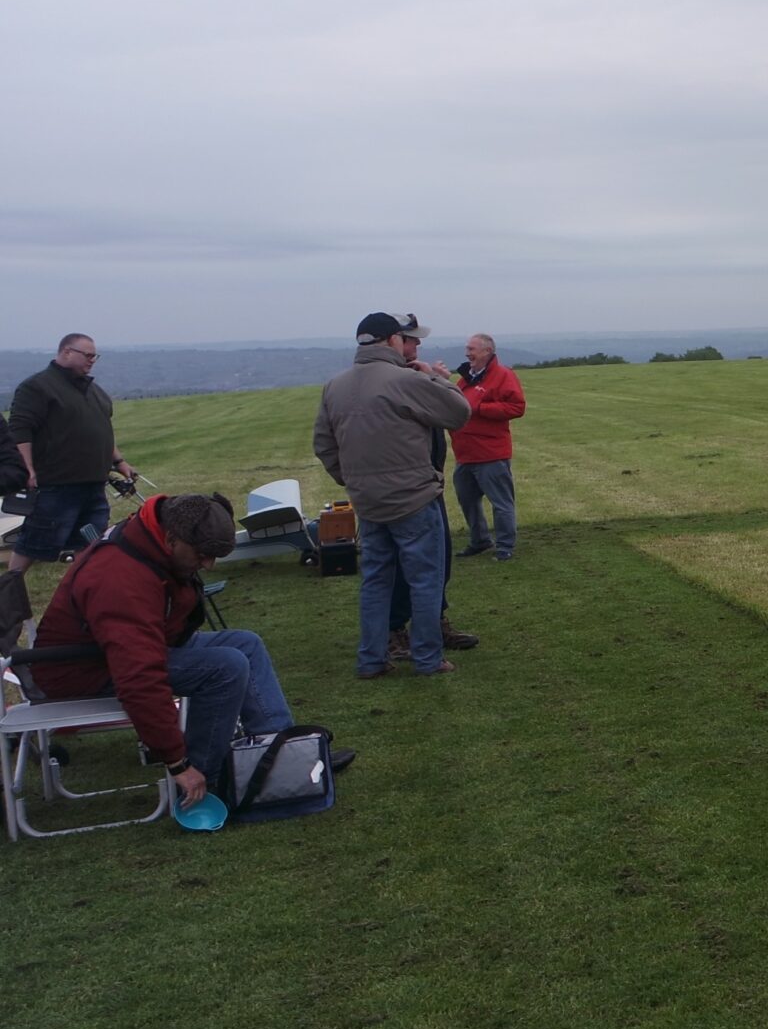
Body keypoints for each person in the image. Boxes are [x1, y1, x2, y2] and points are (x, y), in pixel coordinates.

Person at [26, 493, 349, 812]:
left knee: (245, 644)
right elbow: (138, 677)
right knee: (226, 667)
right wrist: (177, 762)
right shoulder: (120, 579)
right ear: (171, 539)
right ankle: (207, 782)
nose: (208, 565)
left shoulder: (154, 535)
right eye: (203, 555)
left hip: (123, 648)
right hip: (81, 670)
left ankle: (281, 759)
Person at [313, 313, 470, 678]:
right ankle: (428, 658)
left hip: (367, 502)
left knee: (375, 581)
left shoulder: (334, 386)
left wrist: (352, 480)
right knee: (425, 581)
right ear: (393, 340)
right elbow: (459, 412)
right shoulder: (406, 380)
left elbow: (324, 444)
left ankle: (372, 659)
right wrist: (433, 377)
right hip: (414, 498)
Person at [8, 334, 137, 575]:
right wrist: (27, 469)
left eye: (95, 356)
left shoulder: (94, 391)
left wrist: (120, 462)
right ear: (67, 352)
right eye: (87, 355)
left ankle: (82, 591)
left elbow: (102, 430)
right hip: (56, 485)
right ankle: (8, 592)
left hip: (94, 486)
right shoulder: (37, 387)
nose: (92, 361)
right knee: (32, 544)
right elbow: (20, 430)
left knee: (90, 545)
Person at [451, 333, 526, 560]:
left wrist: (480, 408)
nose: (467, 353)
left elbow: (517, 407)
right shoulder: (466, 379)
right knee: (467, 500)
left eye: (472, 349)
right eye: (467, 349)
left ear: (487, 351)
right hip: (465, 454)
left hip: (491, 454)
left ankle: (505, 546)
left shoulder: (503, 375)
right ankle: (480, 540)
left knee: (501, 503)